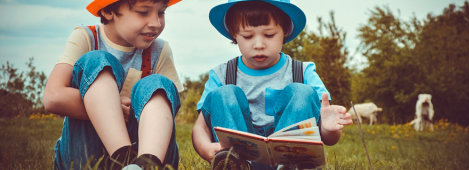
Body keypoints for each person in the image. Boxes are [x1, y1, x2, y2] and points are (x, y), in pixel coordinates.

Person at [191, 0, 353, 169]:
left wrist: (328, 129)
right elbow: (201, 127)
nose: (259, 45)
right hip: (241, 156)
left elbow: (329, 139)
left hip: (289, 155)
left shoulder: (303, 71)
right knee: (223, 94)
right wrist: (206, 148)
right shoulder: (221, 75)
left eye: (269, 35)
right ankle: (234, 164)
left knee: (302, 92)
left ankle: (289, 164)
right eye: (247, 36)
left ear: (285, 32)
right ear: (234, 35)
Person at [43, 0, 183, 169]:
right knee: (97, 60)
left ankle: (147, 164)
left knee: (158, 85)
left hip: (144, 151)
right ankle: (121, 158)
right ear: (109, 11)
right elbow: (53, 97)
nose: (156, 23)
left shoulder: (159, 50)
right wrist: (111, 107)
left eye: (161, 13)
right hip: (86, 155)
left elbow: (166, 110)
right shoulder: (87, 37)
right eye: (143, 12)